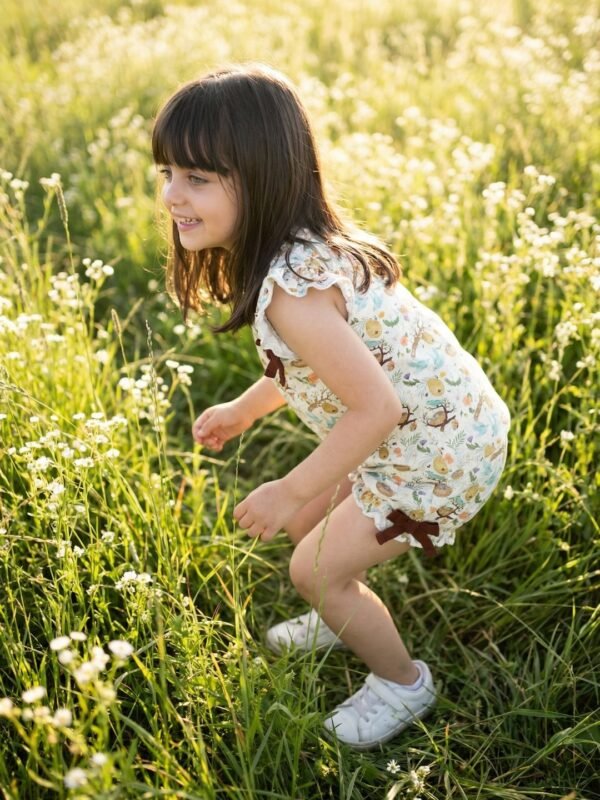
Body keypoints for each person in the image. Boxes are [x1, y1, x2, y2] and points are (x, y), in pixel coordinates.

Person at [151, 63, 511, 750]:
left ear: (261, 176)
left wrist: (287, 489)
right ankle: (337, 609)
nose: (172, 194)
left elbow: (372, 410)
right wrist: (246, 409)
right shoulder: (300, 260)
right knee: (318, 535)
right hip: (425, 428)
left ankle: (402, 682)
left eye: (197, 177)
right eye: (167, 171)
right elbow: (323, 372)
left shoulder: (296, 293)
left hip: (439, 453)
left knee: (309, 563)